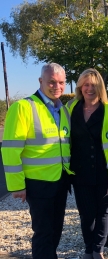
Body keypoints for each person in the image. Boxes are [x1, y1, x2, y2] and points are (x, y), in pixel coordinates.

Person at [1, 63, 72, 259]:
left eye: (61, 82)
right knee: (43, 233)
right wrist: (16, 186)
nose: (56, 86)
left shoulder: (63, 110)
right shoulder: (23, 107)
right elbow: (10, 149)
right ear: (41, 81)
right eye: (51, 82)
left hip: (60, 181)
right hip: (38, 184)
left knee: (56, 230)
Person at [66, 68, 108, 259]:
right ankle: (88, 248)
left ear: (100, 87)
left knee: (103, 212)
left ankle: (98, 250)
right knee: (86, 214)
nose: (90, 88)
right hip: (79, 173)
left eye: (94, 85)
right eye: (86, 84)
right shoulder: (70, 109)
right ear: (80, 86)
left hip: (105, 173)